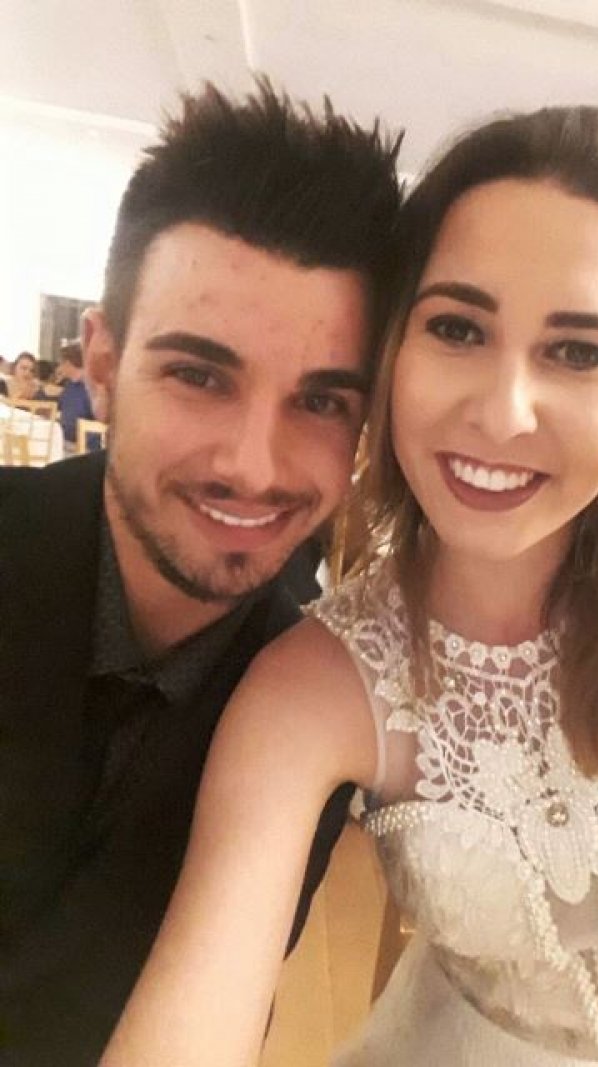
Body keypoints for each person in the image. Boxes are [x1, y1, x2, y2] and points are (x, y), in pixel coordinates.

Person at [101, 107, 598, 1066]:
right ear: (390, 360)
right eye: (458, 327)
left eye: (577, 351)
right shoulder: (314, 684)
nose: (504, 413)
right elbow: (200, 996)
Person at [0, 78, 401, 1067]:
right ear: (101, 362)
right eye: (199, 374)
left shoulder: (310, 699)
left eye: (321, 401)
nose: (252, 466)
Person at [54, 338, 94, 443]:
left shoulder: (91, 387)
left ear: (67, 363)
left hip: (85, 446)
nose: (59, 368)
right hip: (66, 441)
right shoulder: (69, 385)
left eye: (60, 364)